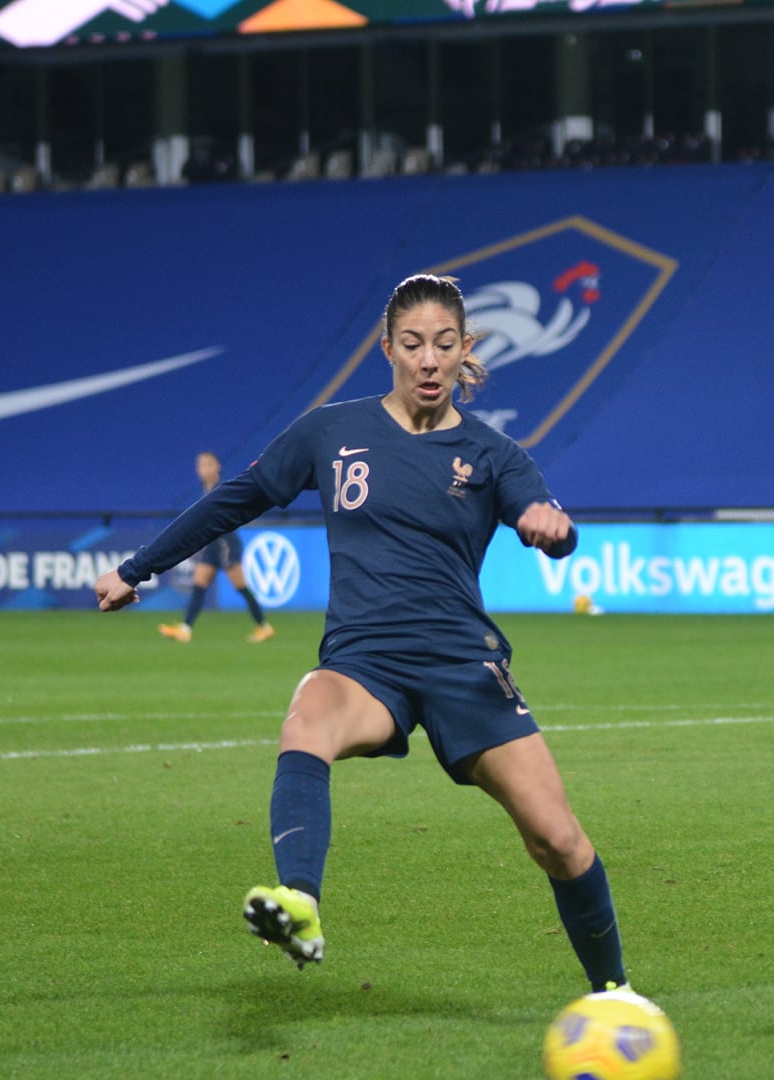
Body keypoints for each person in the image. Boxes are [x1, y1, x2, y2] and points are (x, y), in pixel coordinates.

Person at [94, 273, 630, 996]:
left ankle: (615, 993)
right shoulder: (330, 432)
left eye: (445, 344)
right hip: (365, 659)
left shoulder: (494, 453)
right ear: (387, 349)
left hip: (462, 664)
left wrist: (552, 528)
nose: (430, 359)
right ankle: (302, 905)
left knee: (557, 838)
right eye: (413, 344)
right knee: (306, 718)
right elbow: (235, 500)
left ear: (465, 348)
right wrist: (138, 567)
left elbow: (548, 519)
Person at [157, 450, 276, 643]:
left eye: (208, 465)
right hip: (213, 545)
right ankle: (185, 629)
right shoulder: (206, 490)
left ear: (217, 467)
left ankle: (264, 626)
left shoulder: (223, 488)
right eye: (201, 466)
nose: (204, 470)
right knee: (199, 585)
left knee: (241, 587)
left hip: (226, 544)